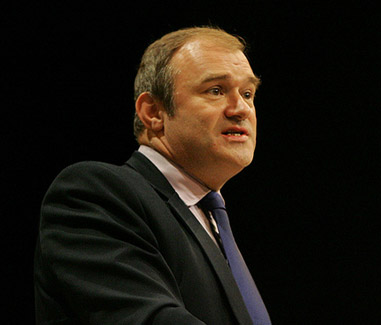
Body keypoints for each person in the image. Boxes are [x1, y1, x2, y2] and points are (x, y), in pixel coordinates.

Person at [34, 26, 271, 324]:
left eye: (248, 94)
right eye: (216, 90)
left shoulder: (213, 220)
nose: (241, 109)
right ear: (153, 112)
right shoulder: (95, 194)